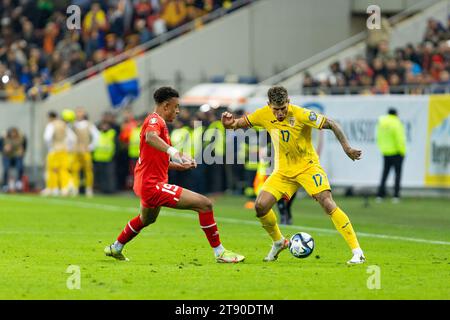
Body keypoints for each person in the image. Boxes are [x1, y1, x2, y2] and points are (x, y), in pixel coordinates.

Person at [221, 86, 365, 264]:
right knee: (260, 206)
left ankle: (357, 251)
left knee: (327, 203)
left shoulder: (300, 114)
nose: (280, 113)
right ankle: (279, 242)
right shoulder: (263, 114)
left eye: (283, 109)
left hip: (308, 167)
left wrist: (347, 148)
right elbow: (236, 124)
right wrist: (228, 123)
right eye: (276, 110)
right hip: (283, 172)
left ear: (288, 102)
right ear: (269, 105)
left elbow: (332, 124)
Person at [104, 87, 245, 263]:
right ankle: (220, 253)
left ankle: (116, 247)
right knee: (205, 204)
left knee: (146, 219)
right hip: (152, 185)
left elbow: (154, 158)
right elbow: (150, 137)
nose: (178, 111)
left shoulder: (157, 122)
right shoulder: (155, 121)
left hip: (146, 182)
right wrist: (175, 152)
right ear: (165, 105)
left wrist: (179, 166)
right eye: (176, 107)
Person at [41, 111, 76, 197]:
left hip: (54, 150)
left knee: (52, 170)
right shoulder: (64, 125)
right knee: (63, 169)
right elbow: (73, 138)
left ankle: (54, 189)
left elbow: (47, 138)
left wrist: (50, 147)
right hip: (63, 150)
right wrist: (68, 147)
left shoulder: (51, 125)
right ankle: (65, 188)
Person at [376, 108, 406, 203]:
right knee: (397, 174)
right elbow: (399, 138)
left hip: (385, 151)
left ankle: (380, 195)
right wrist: (402, 151)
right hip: (397, 152)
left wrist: (383, 148)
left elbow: (378, 137)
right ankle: (396, 195)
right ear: (396, 114)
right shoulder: (396, 123)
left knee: (385, 174)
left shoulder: (381, 123)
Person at [72, 107, 100, 197]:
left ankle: (89, 188)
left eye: (80, 112)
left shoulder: (88, 124)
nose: (78, 114)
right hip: (76, 150)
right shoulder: (74, 125)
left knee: (88, 170)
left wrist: (91, 146)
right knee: (74, 169)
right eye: (77, 112)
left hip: (85, 150)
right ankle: (75, 188)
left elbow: (96, 136)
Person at [0, 127, 27, 192]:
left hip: (16, 156)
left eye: (14, 133)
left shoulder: (21, 138)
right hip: (7, 156)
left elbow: (24, 146)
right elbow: (1, 148)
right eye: (12, 133)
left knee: (20, 167)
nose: (13, 134)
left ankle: (19, 182)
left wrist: (22, 151)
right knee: (6, 169)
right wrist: (4, 148)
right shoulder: (4, 138)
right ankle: (5, 185)